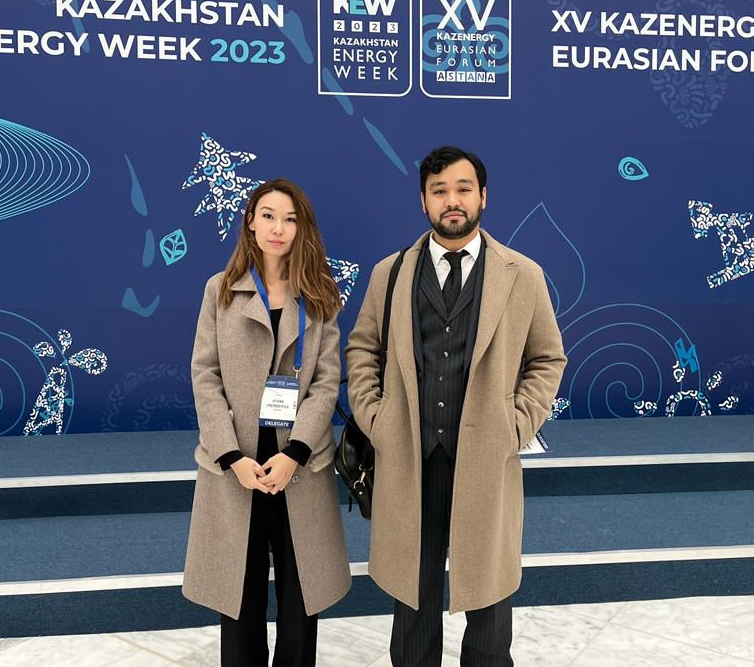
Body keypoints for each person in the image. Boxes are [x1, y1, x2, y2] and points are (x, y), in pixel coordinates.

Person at [346, 146, 567, 666]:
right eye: (439, 190)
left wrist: (515, 425)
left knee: (489, 598)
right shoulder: (390, 273)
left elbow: (547, 358)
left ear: (483, 197)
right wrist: (377, 420)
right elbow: (362, 349)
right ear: (422, 201)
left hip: (486, 458)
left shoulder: (523, 274)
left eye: (463, 189)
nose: (452, 200)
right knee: (413, 599)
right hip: (410, 458)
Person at [183, 178, 351, 667]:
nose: (279, 228)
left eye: (290, 219)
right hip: (238, 468)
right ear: (251, 223)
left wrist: (295, 452)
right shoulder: (221, 289)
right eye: (269, 216)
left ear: (302, 228)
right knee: (240, 597)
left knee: (301, 599)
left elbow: (326, 381)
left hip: (298, 467)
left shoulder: (319, 294)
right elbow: (204, 375)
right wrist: (230, 455)